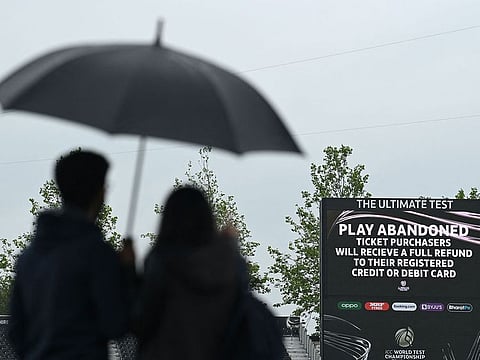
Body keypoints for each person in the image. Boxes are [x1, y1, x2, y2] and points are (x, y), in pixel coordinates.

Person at [8, 150, 135, 359]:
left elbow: (16, 330)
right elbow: (116, 325)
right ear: (100, 191)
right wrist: (127, 273)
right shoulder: (96, 253)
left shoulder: (28, 257)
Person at [135, 186, 284, 360]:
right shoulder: (229, 264)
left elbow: (139, 321)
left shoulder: (160, 264)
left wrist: (127, 271)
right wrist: (230, 246)